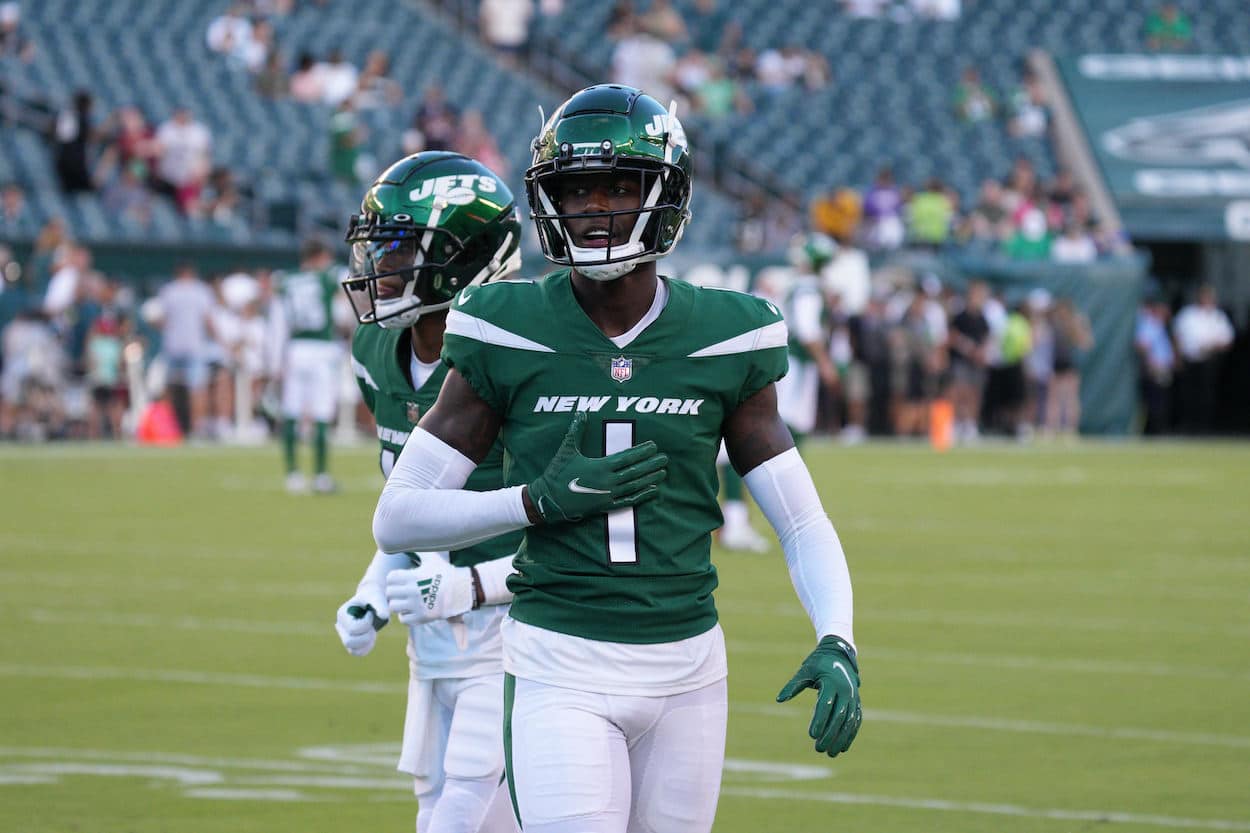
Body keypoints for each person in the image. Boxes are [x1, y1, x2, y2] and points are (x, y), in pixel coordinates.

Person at [371, 85, 861, 833]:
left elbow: (799, 519)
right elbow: (398, 515)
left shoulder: (730, 332)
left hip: (690, 666)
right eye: (576, 190)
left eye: (617, 186)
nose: (594, 206)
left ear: (664, 194)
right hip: (558, 660)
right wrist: (534, 502)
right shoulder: (506, 324)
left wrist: (838, 635)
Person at [334, 152, 525, 833]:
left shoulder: (517, 354)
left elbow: (567, 523)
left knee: (460, 814)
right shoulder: (375, 351)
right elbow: (407, 512)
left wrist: (469, 586)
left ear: (468, 256)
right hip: (430, 635)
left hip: (517, 629)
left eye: (402, 248)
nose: (381, 267)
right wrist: (372, 585)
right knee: (444, 799)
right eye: (377, 248)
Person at [266, 238, 350, 493]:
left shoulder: (286, 280)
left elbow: (277, 324)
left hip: (295, 349)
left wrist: (275, 362)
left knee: (291, 411)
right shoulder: (329, 277)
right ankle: (321, 475)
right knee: (322, 413)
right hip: (322, 349)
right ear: (319, 256)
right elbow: (342, 315)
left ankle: (293, 474)